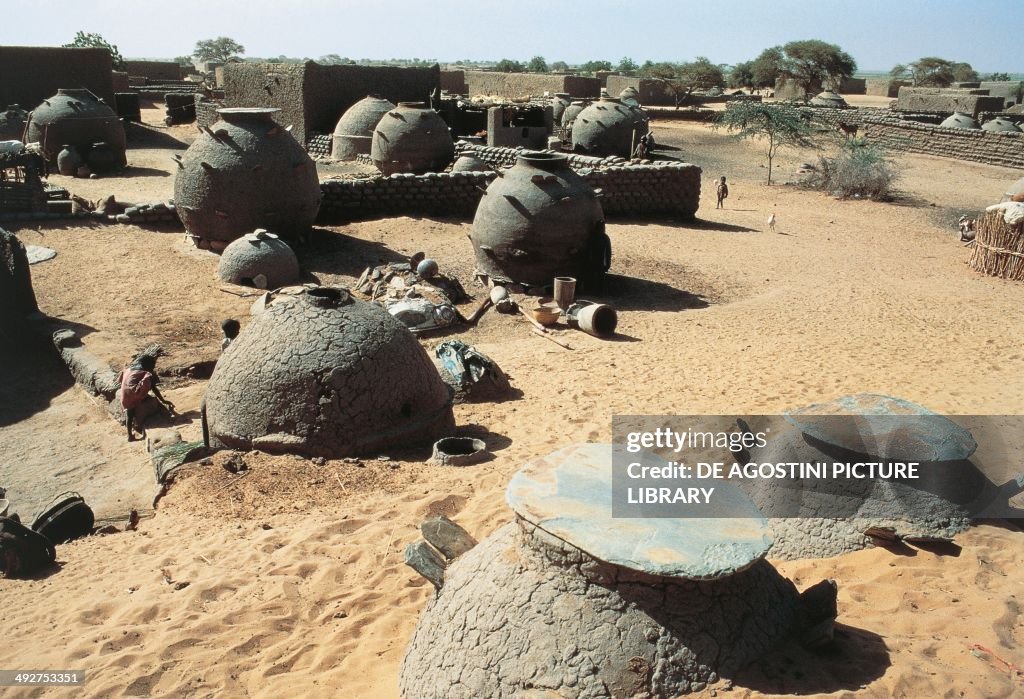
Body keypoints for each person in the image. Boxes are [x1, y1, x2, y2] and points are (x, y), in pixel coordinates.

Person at [117, 354, 174, 442]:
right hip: (133, 395)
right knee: (150, 392)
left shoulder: (131, 369)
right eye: (153, 365)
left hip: (125, 396)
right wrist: (163, 400)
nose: (154, 367)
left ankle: (129, 435)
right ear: (148, 365)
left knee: (129, 414)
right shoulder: (145, 374)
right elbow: (153, 388)